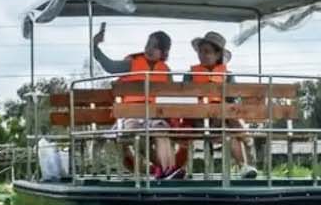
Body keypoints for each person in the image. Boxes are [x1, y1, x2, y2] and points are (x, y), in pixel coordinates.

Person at [92, 26, 185, 177]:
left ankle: (166, 170)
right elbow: (110, 66)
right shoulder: (132, 63)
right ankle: (166, 169)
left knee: (161, 133)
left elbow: (168, 97)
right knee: (138, 132)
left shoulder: (166, 71)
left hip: (154, 115)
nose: (149, 48)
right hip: (131, 114)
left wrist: (173, 120)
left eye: (155, 47)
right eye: (148, 44)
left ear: (164, 52)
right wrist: (95, 46)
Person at [188, 31, 256, 177]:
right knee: (228, 122)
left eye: (207, 52)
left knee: (229, 131)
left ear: (217, 55)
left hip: (224, 121)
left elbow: (233, 101)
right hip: (198, 119)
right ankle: (246, 137)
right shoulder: (190, 75)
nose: (202, 55)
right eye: (200, 51)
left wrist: (219, 112)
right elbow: (186, 100)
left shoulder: (228, 75)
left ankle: (244, 166)